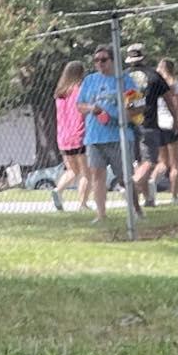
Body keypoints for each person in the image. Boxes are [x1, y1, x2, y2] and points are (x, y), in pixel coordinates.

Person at [77, 44, 141, 223]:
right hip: (95, 136)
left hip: (118, 135)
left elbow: (137, 106)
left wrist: (123, 116)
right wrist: (92, 108)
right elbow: (79, 105)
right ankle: (101, 214)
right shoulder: (90, 81)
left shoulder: (124, 80)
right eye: (96, 60)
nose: (99, 63)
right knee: (97, 175)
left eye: (103, 60)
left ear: (113, 60)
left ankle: (136, 210)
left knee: (124, 178)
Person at [133, 57, 178, 206]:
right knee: (175, 164)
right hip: (170, 123)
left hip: (158, 123)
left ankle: (151, 181)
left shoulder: (146, 82)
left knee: (162, 161)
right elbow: (176, 105)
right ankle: (175, 195)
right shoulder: (172, 84)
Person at [51, 61, 91, 213]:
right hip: (79, 135)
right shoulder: (80, 90)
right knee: (86, 172)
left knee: (72, 170)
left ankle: (58, 190)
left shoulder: (60, 94)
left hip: (63, 137)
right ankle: (83, 204)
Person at [123, 42, 155, 206]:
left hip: (128, 121)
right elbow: (167, 97)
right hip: (148, 120)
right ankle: (132, 186)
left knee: (138, 162)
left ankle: (148, 198)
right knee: (149, 161)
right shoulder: (152, 75)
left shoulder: (123, 76)